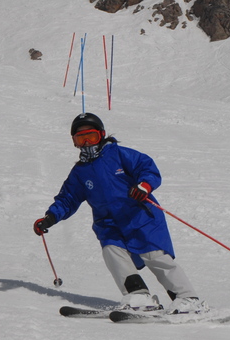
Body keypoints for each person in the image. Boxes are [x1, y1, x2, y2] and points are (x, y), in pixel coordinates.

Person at [33, 112, 205, 314]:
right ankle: (139, 296)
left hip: (140, 216)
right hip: (109, 224)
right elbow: (67, 198)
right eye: (81, 138)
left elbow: (147, 167)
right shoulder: (80, 172)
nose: (87, 142)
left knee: (155, 256)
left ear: (102, 134)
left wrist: (144, 186)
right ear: (74, 142)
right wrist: (50, 217)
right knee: (112, 254)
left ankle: (188, 298)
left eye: (92, 136)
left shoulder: (120, 154)